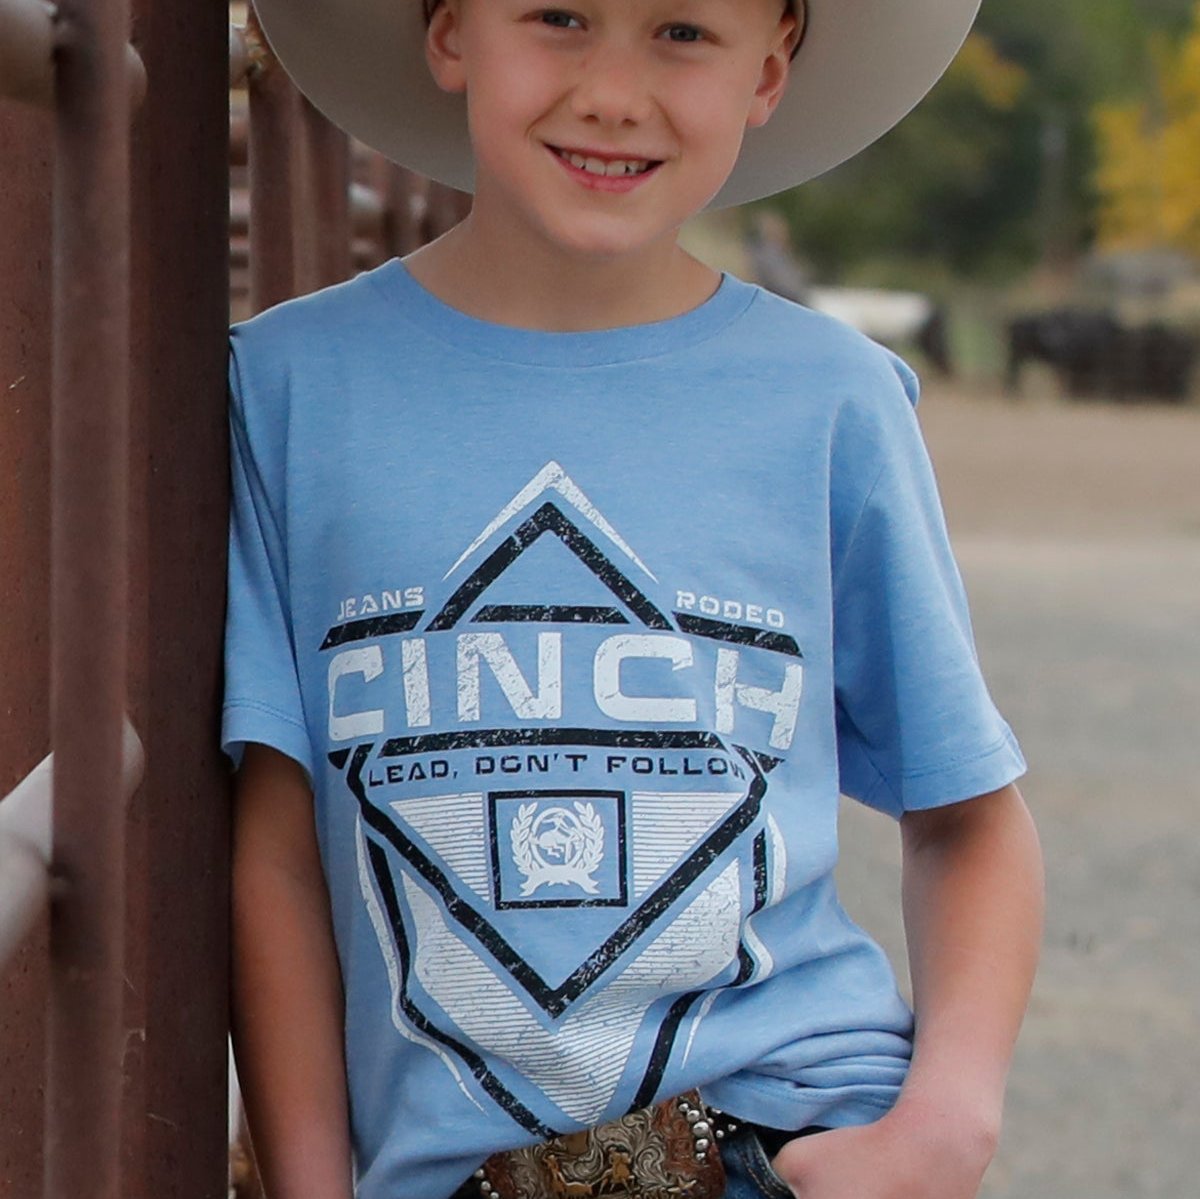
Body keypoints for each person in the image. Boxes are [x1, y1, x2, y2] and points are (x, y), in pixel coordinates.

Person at [223, 2, 1044, 1198]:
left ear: (770, 71)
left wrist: (950, 1120)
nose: (614, 91)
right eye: (559, 16)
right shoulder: (287, 392)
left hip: (779, 1134)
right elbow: (278, 840)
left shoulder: (835, 403)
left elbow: (969, 813)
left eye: (682, 32)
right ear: (451, 34)